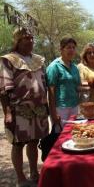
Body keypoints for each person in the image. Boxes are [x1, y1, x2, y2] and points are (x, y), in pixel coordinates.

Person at [0, 27, 49, 186]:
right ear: (17, 41)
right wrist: (7, 112)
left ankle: (34, 174)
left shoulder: (39, 60)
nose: (30, 41)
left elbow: (45, 84)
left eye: (31, 38)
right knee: (18, 144)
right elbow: (3, 89)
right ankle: (21, 178)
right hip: (19, 109)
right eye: (25, 38)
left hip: (39, 109)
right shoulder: (8, 60)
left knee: (34, 142)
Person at [46, 37, 80, 131]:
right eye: (68, 47)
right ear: (61, 49)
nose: (72, 50)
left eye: (73, 47)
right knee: (60, 136)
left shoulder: (74, 67)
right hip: (61, 108)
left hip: (74, 106)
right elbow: (51, 92)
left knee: (74, 133)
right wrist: (53, 113)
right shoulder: (54, 66)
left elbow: (77, 87)